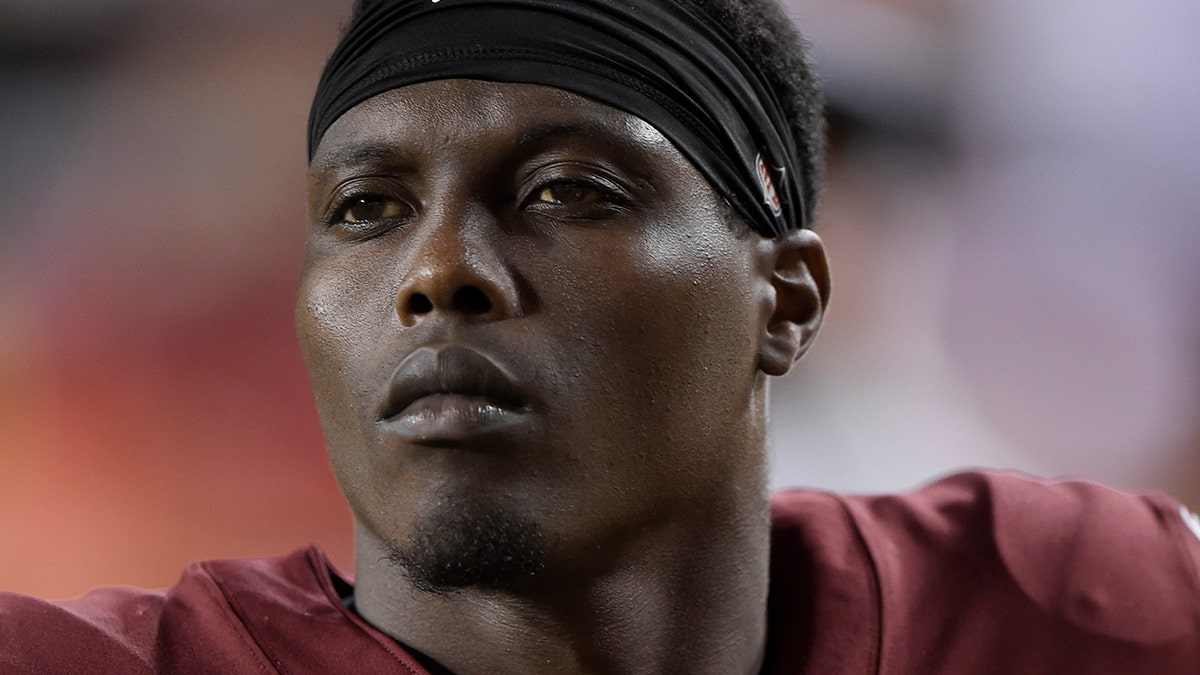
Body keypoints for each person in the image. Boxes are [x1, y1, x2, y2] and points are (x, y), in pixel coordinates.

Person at [2, 0, 1198, 672]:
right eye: (370, 207)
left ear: (785, 292)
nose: (440, 275)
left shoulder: (1062, 581)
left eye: (573, 190)